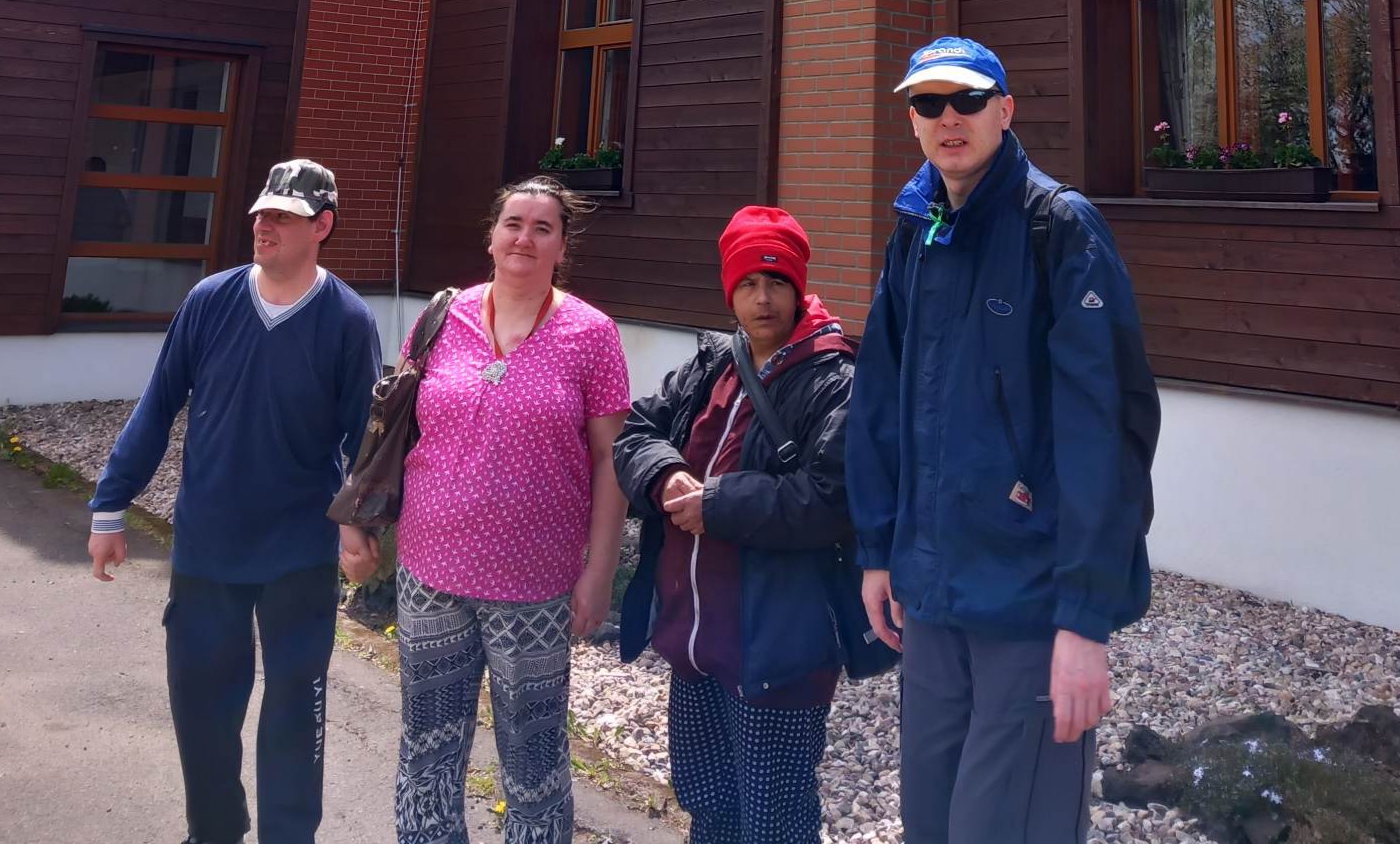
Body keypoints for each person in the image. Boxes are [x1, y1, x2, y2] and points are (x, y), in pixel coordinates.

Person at [847, 36, 1160, 844]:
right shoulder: (915, 230)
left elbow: (1106, 432)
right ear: (912, 120)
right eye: (929, 103)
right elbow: (879, 397)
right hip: (930, 595)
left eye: (968, 100)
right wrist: (877, 550)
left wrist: (1083, 622)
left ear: (1004, 110)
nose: (948, 118)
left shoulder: (1059, 226)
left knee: (1007, 826)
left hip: (1027, 601)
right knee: (931, 825)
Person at [87, 159, 382, 844]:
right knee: (202, 709)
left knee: (294, 712)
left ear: (322, 226)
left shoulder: (347, 320)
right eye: (261, 212)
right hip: (209, 544)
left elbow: (363, 441)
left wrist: (360, 525)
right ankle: (213, 831)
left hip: (298, 553)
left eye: (283, 215)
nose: (263, 224)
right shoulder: (210, 300)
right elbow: (158, 404)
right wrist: (110, 506)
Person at [375, 176, 631, 844]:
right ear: (491, 237)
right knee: (428, 746)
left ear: (562, 247)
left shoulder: (591, 335)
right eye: (514, 223)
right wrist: (361, 521)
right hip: (430, 569)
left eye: (543, 228)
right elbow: (396, 426)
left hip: (534, 584)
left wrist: (599, 571)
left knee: (534, 755)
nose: (525, 237)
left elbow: (612, 459)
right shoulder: (442, 318)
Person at [614, 205, 857, 844]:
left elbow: (829, 499)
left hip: (778, 650)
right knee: (710, 809)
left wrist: (717, 504)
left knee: (774, 823)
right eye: (748, 282)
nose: (763, 298)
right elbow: (636, 431)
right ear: (730, 290)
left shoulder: (835, 380)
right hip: (694, 642)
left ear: (798, 288)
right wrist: (666, 474)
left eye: (777, 281)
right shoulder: (712, 366)